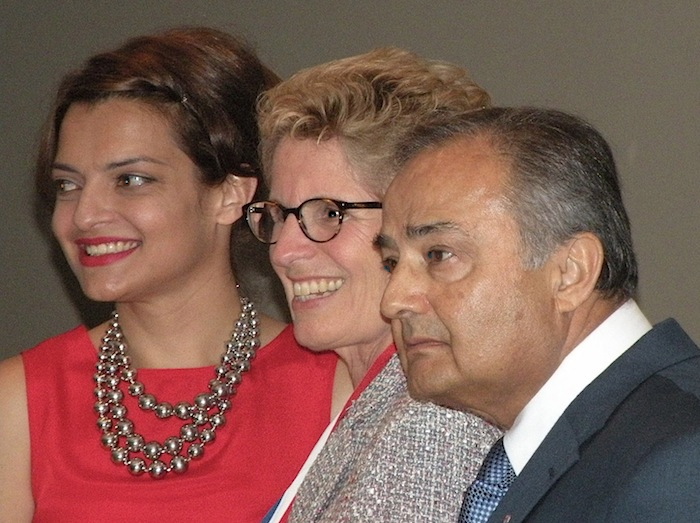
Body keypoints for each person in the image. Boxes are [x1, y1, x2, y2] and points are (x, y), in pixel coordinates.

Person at [0, 27, 338, 522]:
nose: (83, 215)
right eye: (68, 185)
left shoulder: (336, 386)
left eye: (130, 180)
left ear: (229, 193)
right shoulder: (19, 403)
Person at [378, 106, 700, 522]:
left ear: (570, 273)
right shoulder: (578, 446)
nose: (393, 300)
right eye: (390, 263)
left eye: (439, 255)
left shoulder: (681, 461)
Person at [246, 48, 501, 522]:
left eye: (328, 213)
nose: (283, 251)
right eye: (280, 216)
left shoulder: (435, 417)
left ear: (419, 223)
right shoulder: (376, 401)